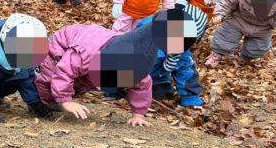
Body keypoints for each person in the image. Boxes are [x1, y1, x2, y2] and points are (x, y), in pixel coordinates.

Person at [35, 9, 199, 126]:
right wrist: (66, 100)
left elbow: (142, 87)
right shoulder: (84, 54)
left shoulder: (137, 70)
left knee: (80, 84)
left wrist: (138, 114)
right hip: (63, 49)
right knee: (49, 79)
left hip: (96, 60)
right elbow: (65, 70)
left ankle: (61, 96)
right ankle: (41, 100)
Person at [137, 3, 210, 107]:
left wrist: (190, 97)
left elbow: (186, 72)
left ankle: (187, 96)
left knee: (163, 95)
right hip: (134, 71)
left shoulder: (182, 52)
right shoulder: (147, 30)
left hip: (157, 78)